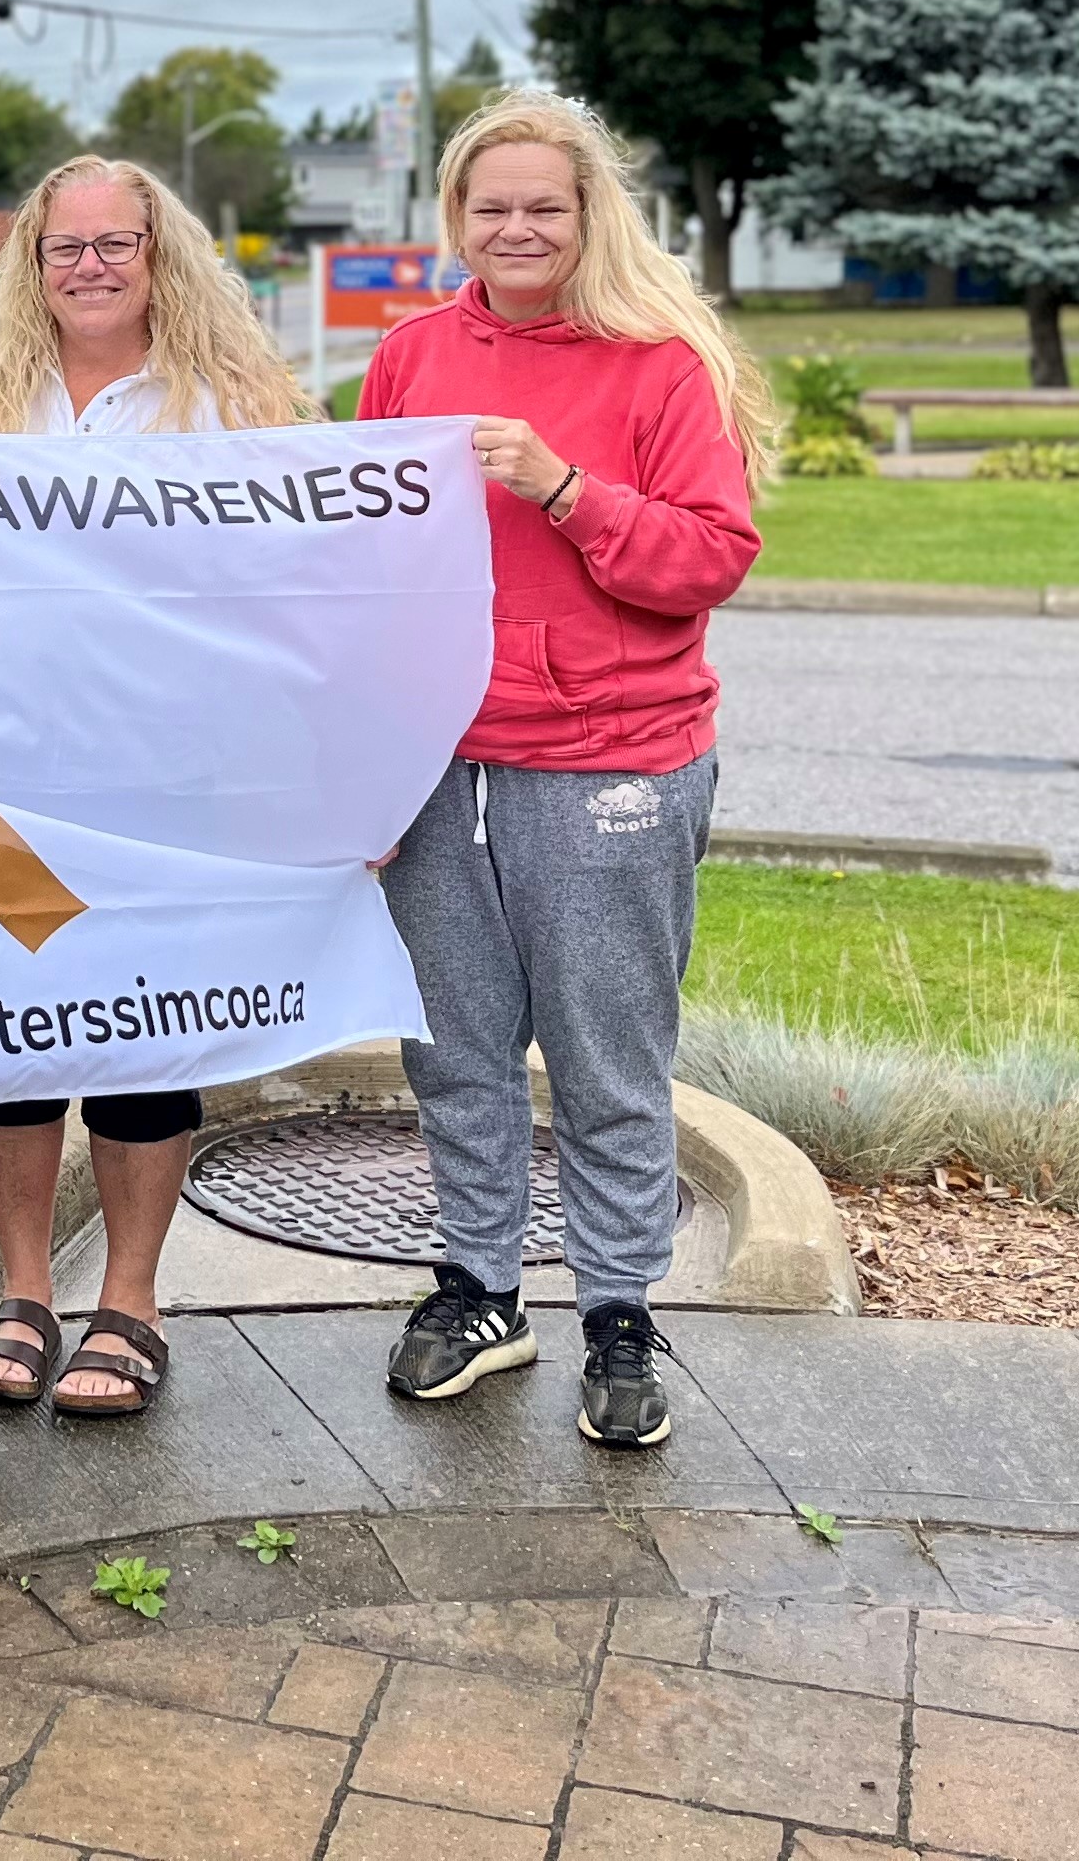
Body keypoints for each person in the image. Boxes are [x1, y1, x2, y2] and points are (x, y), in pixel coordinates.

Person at [358, 91, 776, 1448]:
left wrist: (562, 488)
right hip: (440, 767)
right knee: (455, 1048)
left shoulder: (659, 365)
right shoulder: (413, 354)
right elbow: (359, 568)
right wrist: (359, 763)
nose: (518, 228)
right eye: (492, 207)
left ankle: (617, 1309)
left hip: (612, 764)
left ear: (590, 213)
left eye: (546, 204)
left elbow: (709, 558)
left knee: (607, 1059)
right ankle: (480, 1290)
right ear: (455, 221)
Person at [0, 154, 313, 1419]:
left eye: (116, 245)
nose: (90, 267)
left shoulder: (237, 397)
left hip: (170, 775)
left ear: (163, 255)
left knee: (144, 1033)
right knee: (16, 1035)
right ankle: (27, 1290)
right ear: (30, 265)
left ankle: (132, 1301)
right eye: (65, 248)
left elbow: (316, 577)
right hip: (12, 772)